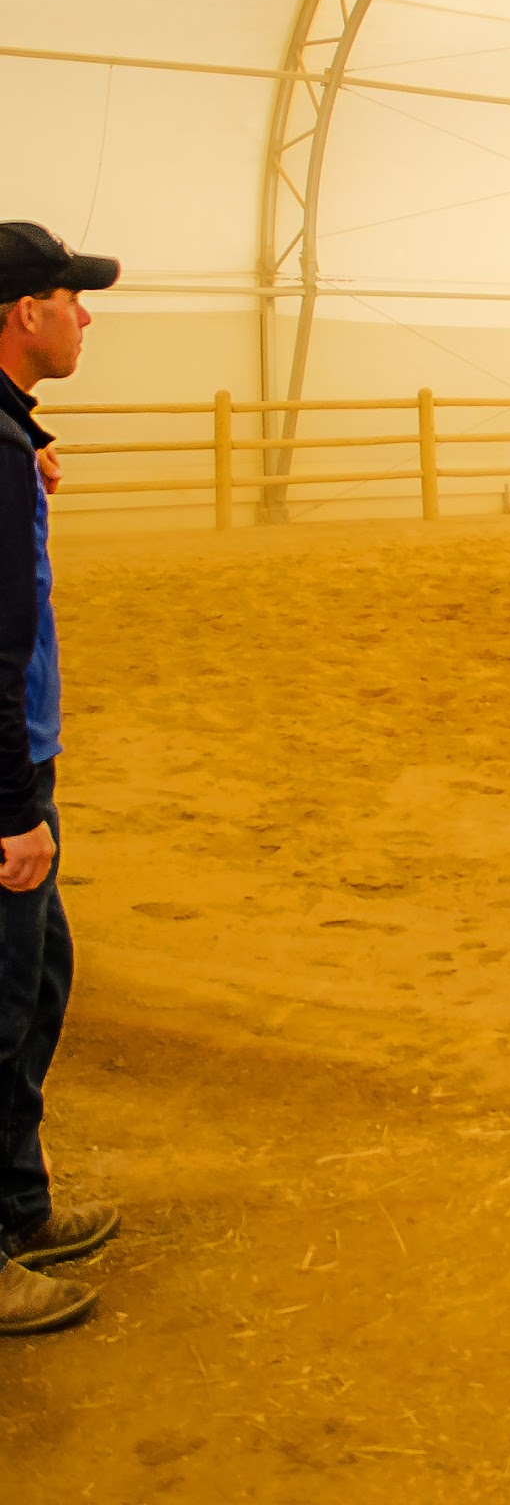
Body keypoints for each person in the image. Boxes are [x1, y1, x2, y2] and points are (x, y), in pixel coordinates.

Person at [0, 223, 122, 1336]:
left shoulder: (6, 439)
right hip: (2, 782)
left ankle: (20, 1207)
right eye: (66, 297)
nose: (83, 315)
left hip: (20, 765)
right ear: (20, 312)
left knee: (36, 984)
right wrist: (11, 809)